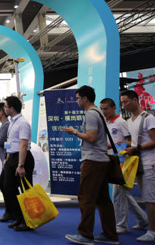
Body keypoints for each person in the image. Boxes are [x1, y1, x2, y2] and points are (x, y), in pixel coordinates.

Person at [63, 86, 118, 244]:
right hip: (100, 160)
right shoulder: (97, 113)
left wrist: (74, 132)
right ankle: (110, 235)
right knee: (103, 199)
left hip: (93, 161)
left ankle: (85, 234)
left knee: (86, 198)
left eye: (78, 98)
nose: (77, 101)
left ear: (85, 98)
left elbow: (92, 137)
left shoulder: (91, 114)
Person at [101, 97, 148, 235]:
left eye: (106, 109)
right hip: (110, 160)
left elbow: (131, 142)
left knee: (118, 193)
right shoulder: (105, 122)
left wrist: (114, 145)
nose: (104, 111)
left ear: (114, 108)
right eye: (102, 109)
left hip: (122, 161)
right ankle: (142, 219)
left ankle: (122, 225)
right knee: (122, 193)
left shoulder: (121, 122)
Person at [122, 89, 155, 243]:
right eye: (122, 103)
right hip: (136, 163)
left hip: (149, 163)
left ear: (135, 100)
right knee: (145, 196)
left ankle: (152, 231)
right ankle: (146, 224)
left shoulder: (149, 118)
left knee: (150, 198)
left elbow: (154, 141)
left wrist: (137, 147)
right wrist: (126, 145)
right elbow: (133, 141)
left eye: (126, 102)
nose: (124, 105)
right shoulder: (129, 121)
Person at [2, 95, 35, 232]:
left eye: (6, 106)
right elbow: (11, 143)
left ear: (12, 108)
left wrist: (20, 165)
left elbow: (23, 145)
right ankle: (19, 217)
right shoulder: (12, 122)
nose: (4, 109)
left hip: (23, 158)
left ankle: (28, 221)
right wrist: (7, 158)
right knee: (8, 188)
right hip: (12, 157)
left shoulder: (22, 123)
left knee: (25, 191)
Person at [0, 102, 12, 223]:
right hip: (6, 159)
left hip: (9, 160)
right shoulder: (5, 125)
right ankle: (10, 211)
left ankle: (11, 211)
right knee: (5, 186)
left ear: (2, 112)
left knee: (6, 186)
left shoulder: (6, 125)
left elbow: (0, 142)